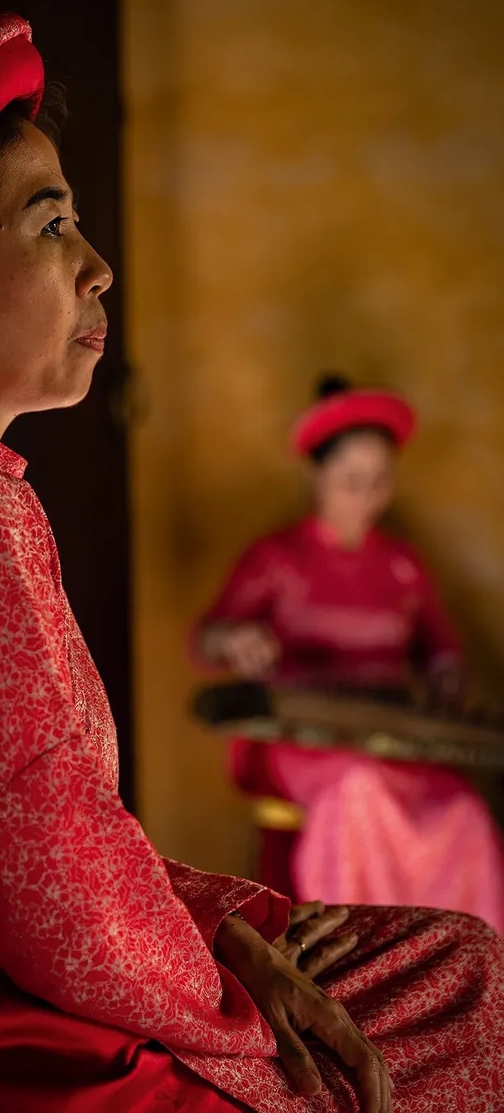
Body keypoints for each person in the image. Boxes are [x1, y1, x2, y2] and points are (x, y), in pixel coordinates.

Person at [0, 16, 503, 1113]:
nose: (98, 267)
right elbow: (50, 893)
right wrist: (236, 1017)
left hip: (14, 968)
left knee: (457, 968)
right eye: (49, 227)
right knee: (455, 1005)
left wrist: (231, 928)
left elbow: (64, 845)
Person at [194, 376, 504, 929]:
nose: (367, 497)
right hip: (301, 740)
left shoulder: (400, 564)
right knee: (357, 790)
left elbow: (440, 648)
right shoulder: (278, 557)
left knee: (464, 811)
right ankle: (361, 966)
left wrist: (444, 674)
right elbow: (208, 637)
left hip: (391, 736)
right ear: (317, 474)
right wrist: (235, 641)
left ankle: (453, 973)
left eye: (380, 482)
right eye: (351, 481)